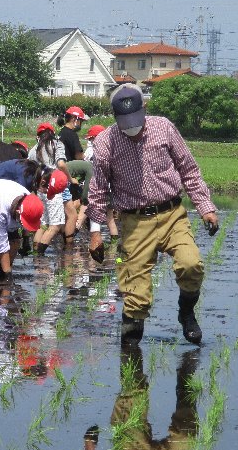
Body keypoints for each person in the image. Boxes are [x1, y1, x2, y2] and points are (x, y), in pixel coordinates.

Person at [87, 83, 218, 346]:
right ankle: (130, 353)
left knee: (191, 264)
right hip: (134, 221)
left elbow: (188, 169)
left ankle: (186, 313)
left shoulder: (164, 127)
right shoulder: (105, 143)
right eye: (125, 122)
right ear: (115, 117)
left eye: (135, 120)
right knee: (135, 294)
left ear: (144, 108)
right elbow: (98, 189)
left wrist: (206, 208)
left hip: (172, 214)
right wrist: (95, 232)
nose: (132, 128)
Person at [28, 123, 71, 255]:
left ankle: (35, 253)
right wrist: (70, 179)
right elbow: (61, 164)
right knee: (55, 225)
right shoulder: (56, 144)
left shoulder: (34, 149)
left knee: (43, 223)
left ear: (38, 136)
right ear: (53, 133)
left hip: (40, 189)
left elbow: (29, 168)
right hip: (54, 188)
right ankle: (40, 254)